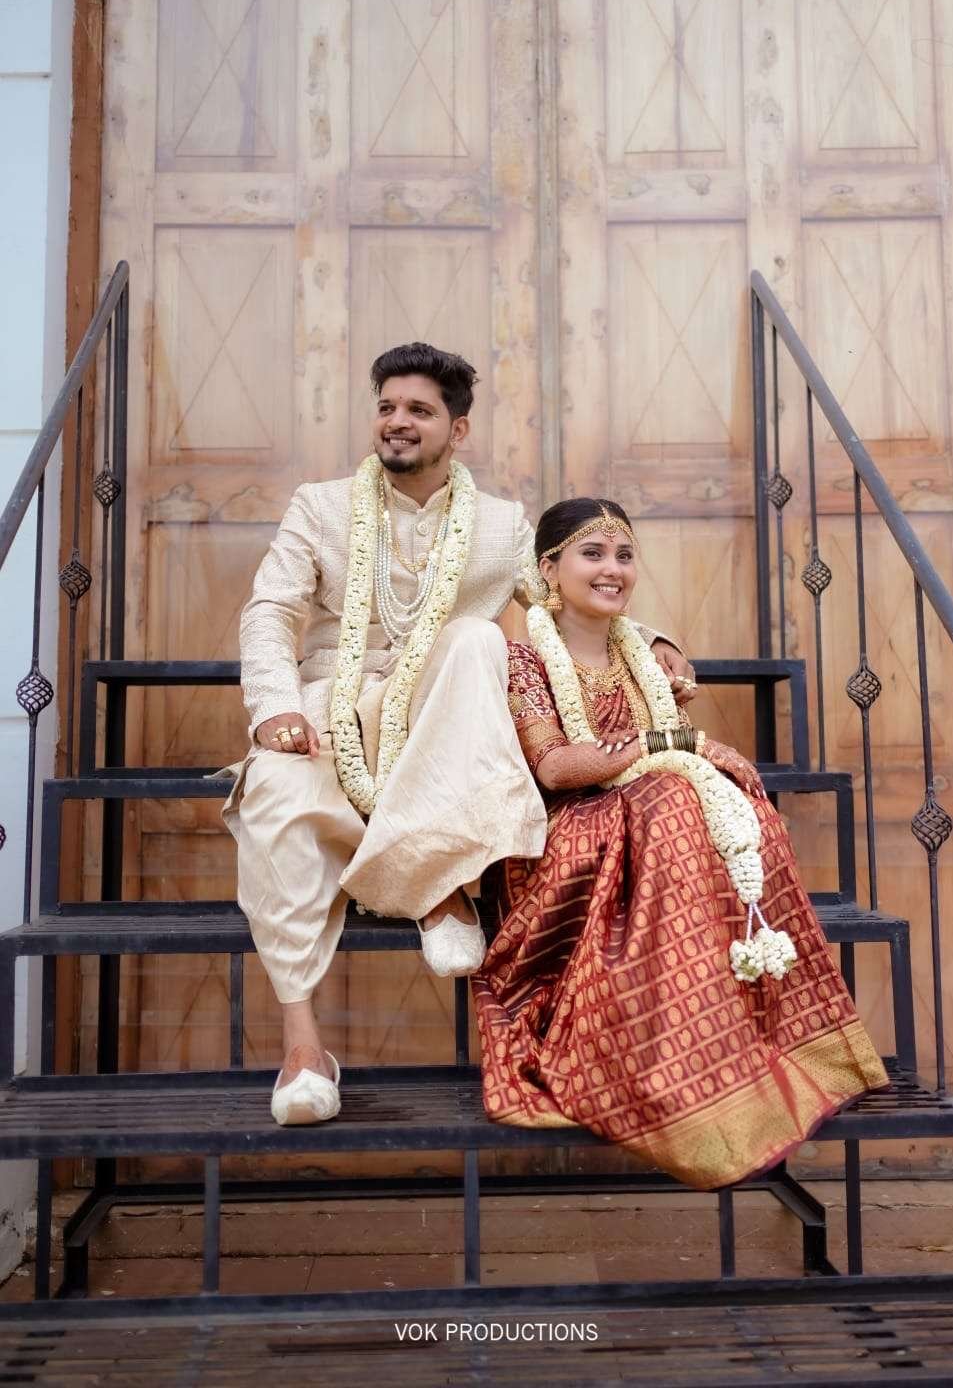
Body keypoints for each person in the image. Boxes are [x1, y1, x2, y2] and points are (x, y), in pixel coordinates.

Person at [222, 346, 695, 1126]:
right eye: (387, 407)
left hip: (441, 712)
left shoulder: (501, 524)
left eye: (419, 410)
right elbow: (272, 610)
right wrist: (276, 708)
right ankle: (304, 1048)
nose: (397, 421)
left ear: (457, 428)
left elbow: (558, 600)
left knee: (478, 640)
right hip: (331, 705)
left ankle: (439, 883)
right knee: (275, 791)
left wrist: (652, 642)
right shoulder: (321, 507)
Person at [472, 497, 888, 1190]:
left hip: (646, 815)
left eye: (624, 555)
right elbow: (556, 767)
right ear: (549, 568)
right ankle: (664, 1065)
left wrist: (690, 756)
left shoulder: (643, 654)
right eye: (592, 553)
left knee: (732, 800)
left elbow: (666, 763)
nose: (612, 569)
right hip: (563, 835)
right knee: (673, 796)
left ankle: (737, 1038)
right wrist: (671, 741)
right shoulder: (523, 659)